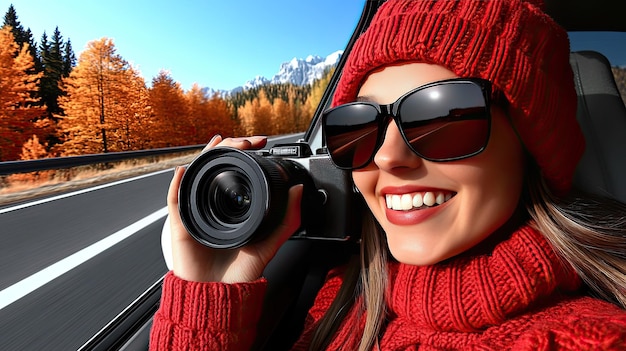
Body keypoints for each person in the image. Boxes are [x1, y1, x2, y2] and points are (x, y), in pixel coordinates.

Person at [150, 0, 626, 350]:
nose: (386, 157)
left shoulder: (587, 339)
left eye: (443, 117)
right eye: (358, 126)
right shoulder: (340, 298)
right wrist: (206, 293)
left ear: (531, 147)